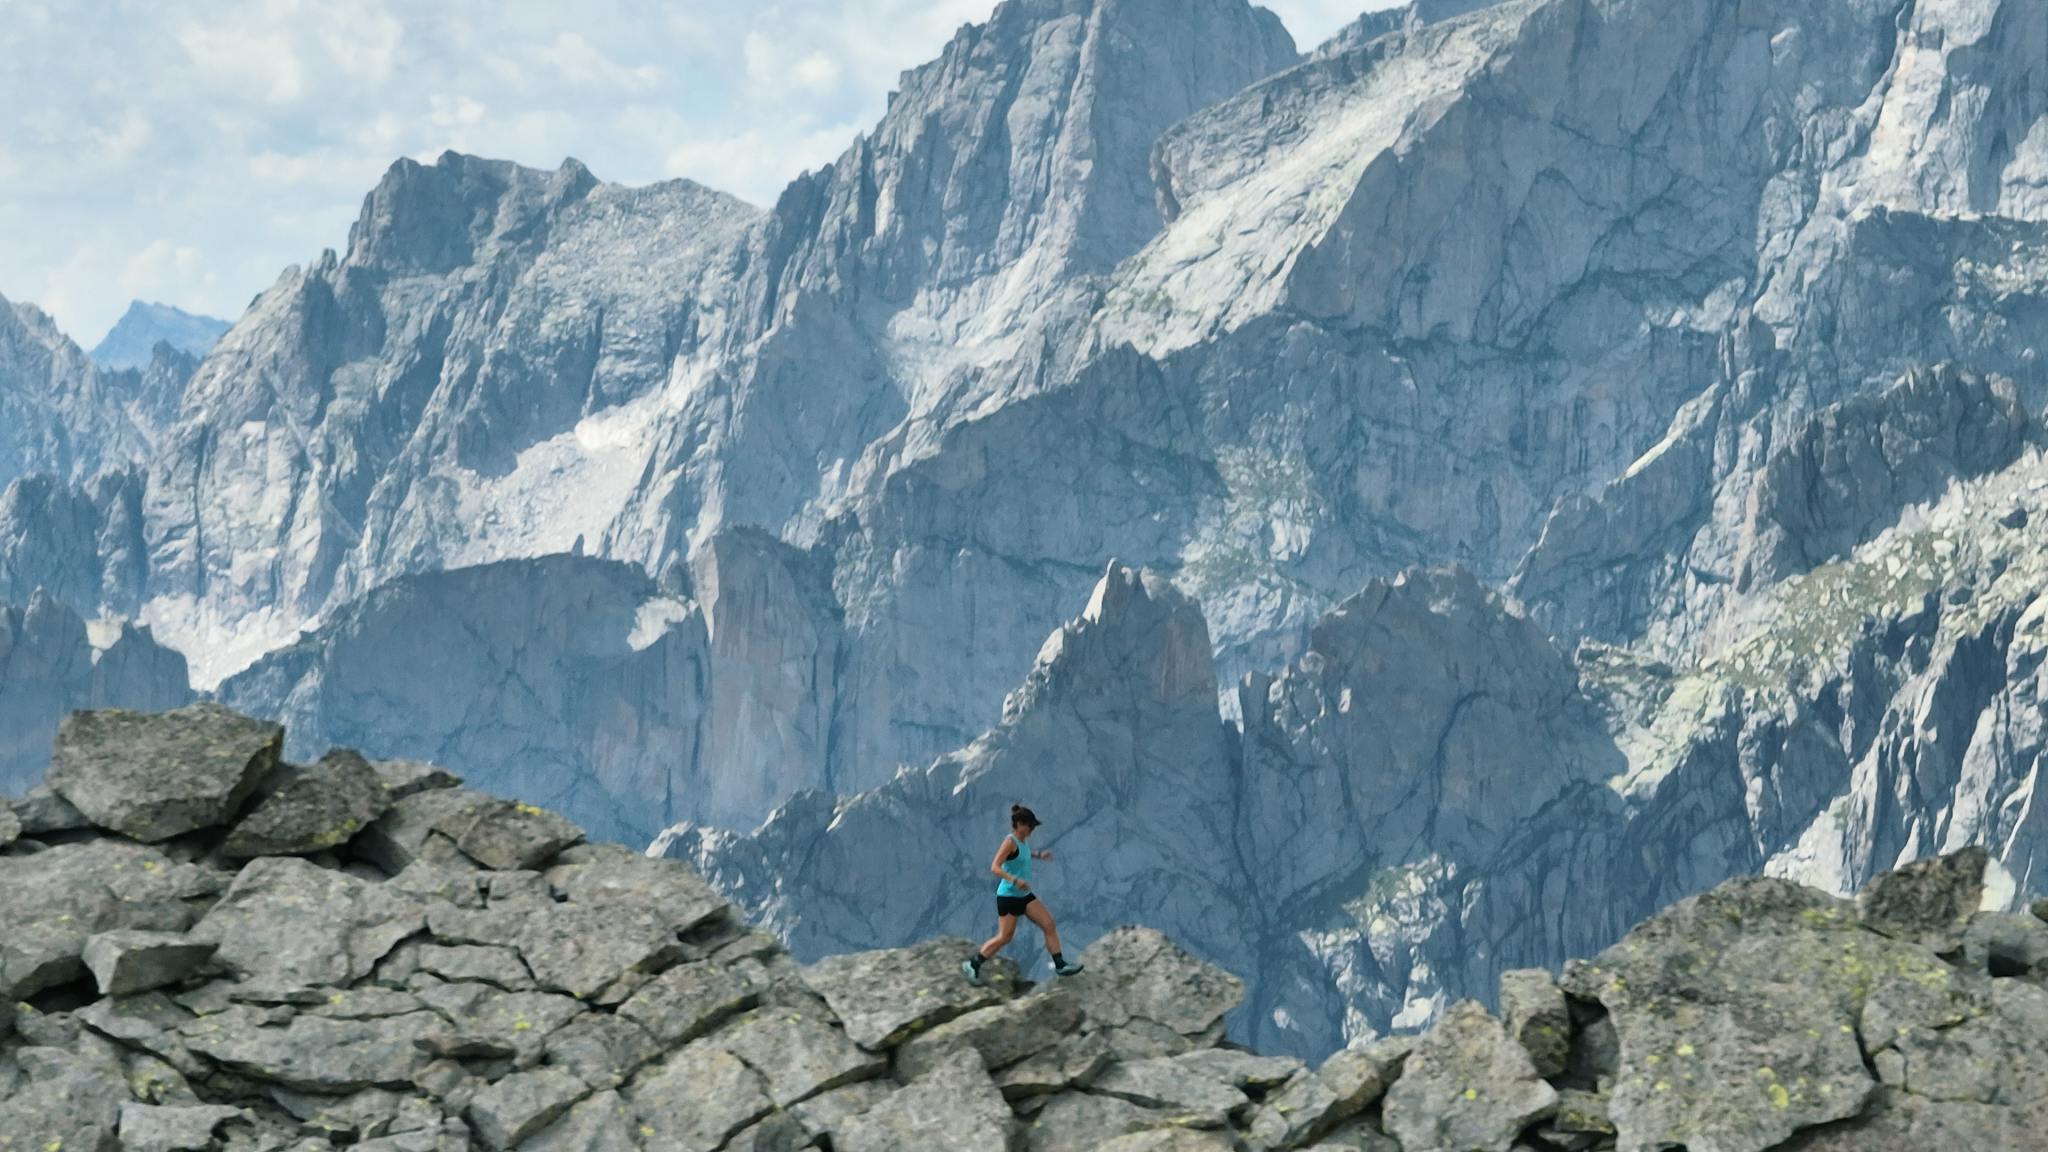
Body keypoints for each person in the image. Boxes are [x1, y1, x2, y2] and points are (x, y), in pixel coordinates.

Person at [964, 803, 1084, 985]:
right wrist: (1014, 880)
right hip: (1009, 896)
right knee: (1005, 937)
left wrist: (1039, 855)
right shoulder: (1009, 842)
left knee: (1049, 924)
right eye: (1030, 826)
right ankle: (973, 964)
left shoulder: (1023, 841)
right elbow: (995, 866)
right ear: (1019, 824)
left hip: (1024, 896)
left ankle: (1060, 965)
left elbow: (1022, 854)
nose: (1032, 830)